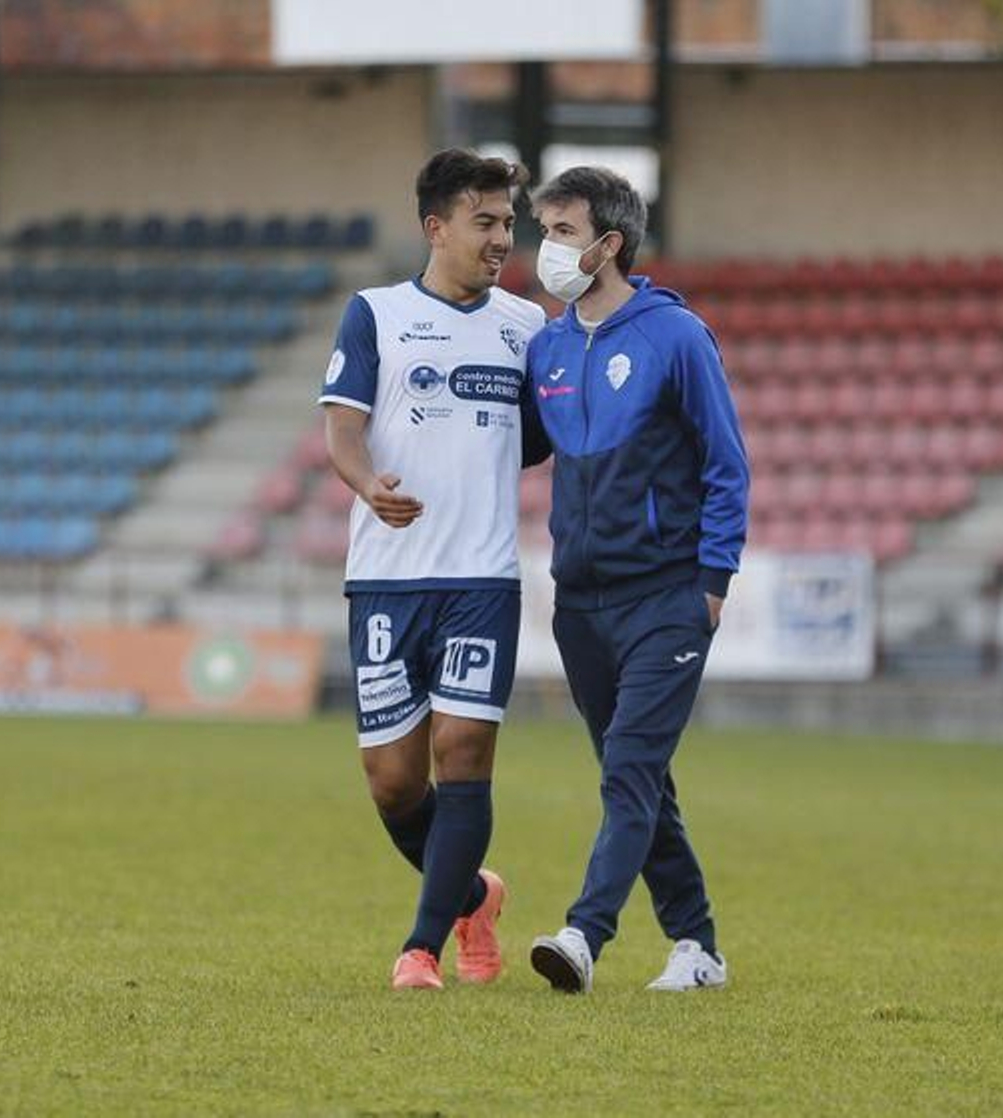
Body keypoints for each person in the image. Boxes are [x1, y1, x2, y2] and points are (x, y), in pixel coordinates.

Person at [319, 149, 546, 990]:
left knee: (464, 754)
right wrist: (365, 482)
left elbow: (547, 431)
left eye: (508, 223)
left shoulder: (525, 327)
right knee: (393, 783)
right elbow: (344, 430)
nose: (500, 239)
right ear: (435, 227)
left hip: (482, 578)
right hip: (385, 576)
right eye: (484, 222)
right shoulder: (374, 314)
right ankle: (471, 898)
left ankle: (420, 949)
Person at [523, 167, 750, 993]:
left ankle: (583, 936)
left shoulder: (675, 337)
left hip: (667, 599)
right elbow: (516, 447)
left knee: (627, 770)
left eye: (561, 233)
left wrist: (713, 583)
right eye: (541, 230)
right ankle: (699, 947)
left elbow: (727, 464)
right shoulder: (545, 346)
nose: (543, 249)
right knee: (639, 776)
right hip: (580, 606)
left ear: (609, 245)